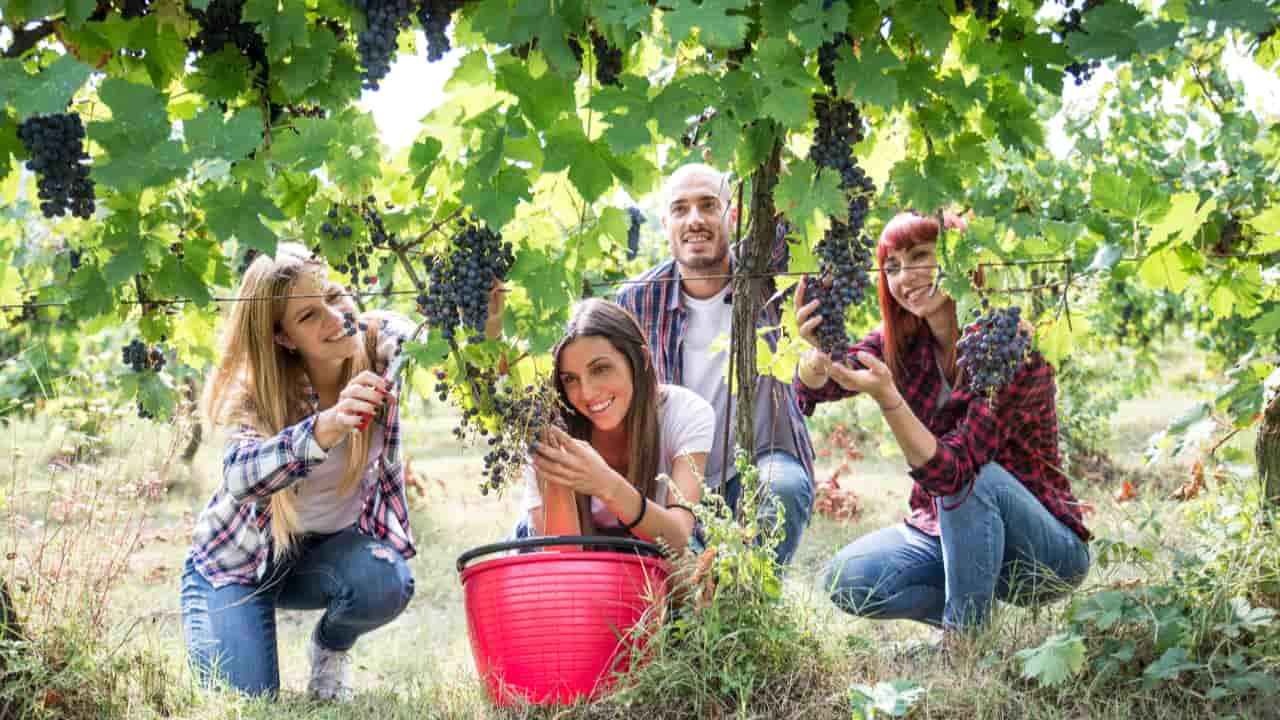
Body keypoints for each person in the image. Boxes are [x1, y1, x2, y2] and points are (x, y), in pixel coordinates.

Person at [794, 211, 1091, 638]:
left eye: (920, 256)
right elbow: (816, 389)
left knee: (976, 480)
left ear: (960, 260)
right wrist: (816, 358)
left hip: (1043, 552)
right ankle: (976, 614)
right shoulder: (905, 342)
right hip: (949, 532)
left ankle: (962, 640)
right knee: (846, 580)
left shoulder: (1008, 348)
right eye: (892, 266)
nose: (904, 276)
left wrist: (888, 398)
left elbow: (952, 473)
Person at [180, 243, 429, 700]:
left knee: (384, 581)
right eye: (309, 316)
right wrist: (326, 427)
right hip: (239, 563)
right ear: (283, 337)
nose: (336, 318)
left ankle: (329, 649)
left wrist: (484, 322)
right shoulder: (256, 391)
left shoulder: (378, 345)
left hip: (326, 555)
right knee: (245, 701)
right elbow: (240, 477)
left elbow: (434, 340)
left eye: (334, 296)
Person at [614, 163, 816, 566]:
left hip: (762, 457)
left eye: (709, 205)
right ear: (665, 222)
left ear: (734, 214)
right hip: (673, 473)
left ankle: (753, 610)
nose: (695, 220)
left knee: (784, 489)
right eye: (680, 209)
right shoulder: (635, 301)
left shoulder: (768, 277)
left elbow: (797, 205)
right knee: (682, 585)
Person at [518, 298, 716, 553]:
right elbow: (563, 560)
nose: (587, 393)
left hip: (654, 544)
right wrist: (558, 477)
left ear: (641, 359)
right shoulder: (549, 427)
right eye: (570, 379)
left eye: (601, 369)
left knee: (690, 568)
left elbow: (678, 538)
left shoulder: (686, 413)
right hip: (571, 553)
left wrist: (606, 484)